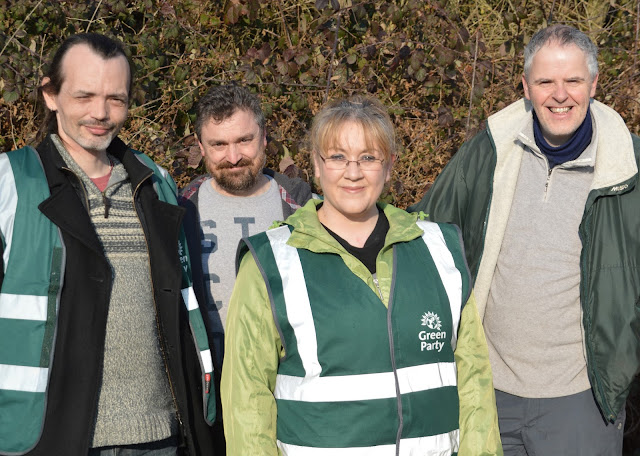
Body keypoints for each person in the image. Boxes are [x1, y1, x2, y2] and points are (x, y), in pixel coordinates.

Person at [221, 95, 502, 455]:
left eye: (368, 158)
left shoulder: (439, 247)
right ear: (317, 167)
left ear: (389, 166)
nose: (353, 172)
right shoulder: (271, 261)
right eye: (338, 157)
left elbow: (474, 379)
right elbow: (247, 399)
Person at [410, 24, 640, 455]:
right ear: (525, 87)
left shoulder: (629, 171)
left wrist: (625, 360)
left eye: (572, 80)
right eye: (545, 81)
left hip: (582, 401)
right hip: (486, 391)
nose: (560, 94)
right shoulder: (488, 152)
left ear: (593, 83)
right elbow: (422, 235)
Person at [0, 33, 216, 455]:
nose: (100, 113)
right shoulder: (10, 185)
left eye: (115, 99)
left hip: (161, 440)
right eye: (84, 96)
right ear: (50, 94)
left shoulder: (156, 185)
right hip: (44, 439)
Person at [179, 84, 312, 369]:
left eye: (244, 140)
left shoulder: (305, 209)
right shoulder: (179, 214)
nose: (234, 156)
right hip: (208, 394)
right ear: (201, 146)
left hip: (288, 390)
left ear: (264, 138)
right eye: (219, 145)